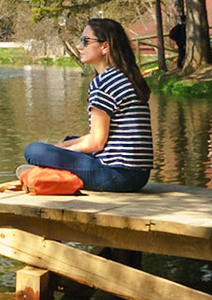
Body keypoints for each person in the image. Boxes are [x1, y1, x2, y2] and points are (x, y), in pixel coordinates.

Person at [23, 17, 154, 192]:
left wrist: (60, 152)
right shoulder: (125, 77)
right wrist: (63, 147)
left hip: (117, 176)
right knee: (68, 141)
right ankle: (50, 171)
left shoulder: (103, 83)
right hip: (139, 176)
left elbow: (96, 143)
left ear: (105, 47)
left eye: (86, 41)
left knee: (34, 150)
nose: (80, 46)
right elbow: (100, 136)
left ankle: (46, 175)